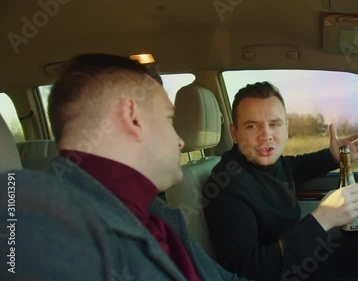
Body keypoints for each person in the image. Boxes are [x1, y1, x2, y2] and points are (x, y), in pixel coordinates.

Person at [0, 54, 249, 281]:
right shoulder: (33, 217)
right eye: (168, 118)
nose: (180, 140)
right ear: (133, 117)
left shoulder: (155, 213)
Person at [203, 82, 358, 281]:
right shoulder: (227, 185)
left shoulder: (270, 163)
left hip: (306, 258)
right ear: (234, 132)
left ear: (286, 127)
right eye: (252, 126)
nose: (266, 135)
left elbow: (298, 166)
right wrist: (322, 219)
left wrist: (334, 156)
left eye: (275, 124)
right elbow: (247, 270)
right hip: (289, 271)